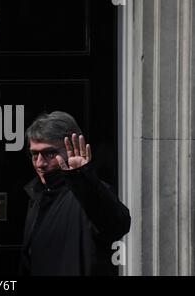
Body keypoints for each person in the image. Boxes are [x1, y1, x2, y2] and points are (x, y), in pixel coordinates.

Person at [20, 111, 131, 275]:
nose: (40, 163)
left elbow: (117, 225)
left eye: (50, 153)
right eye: (34, 154)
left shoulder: (88, 193)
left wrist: (82, 177)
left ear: (72, 148)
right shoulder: (38, 194)